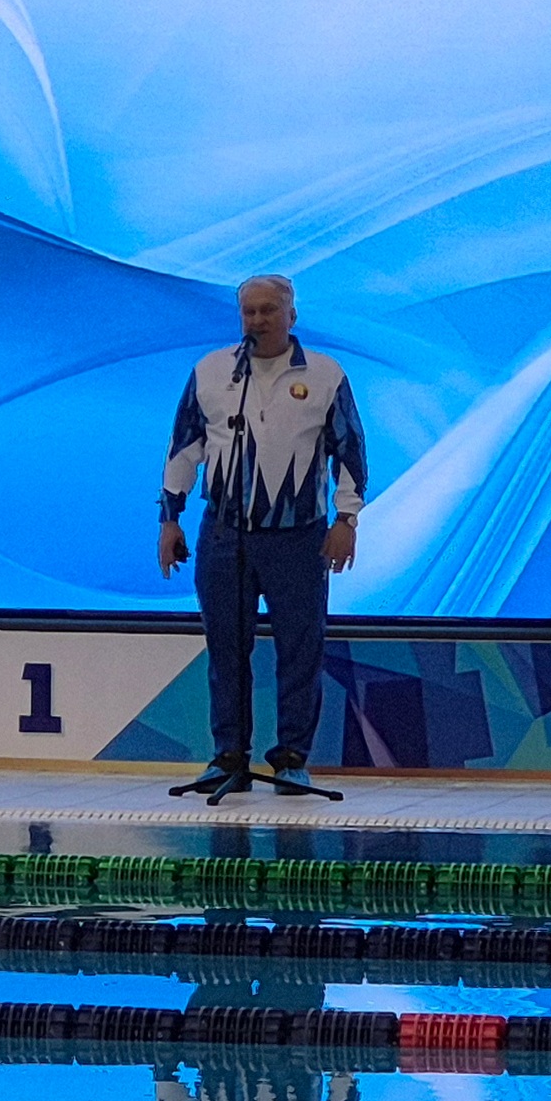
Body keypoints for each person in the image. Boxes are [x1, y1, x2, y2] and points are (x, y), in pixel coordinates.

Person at [155, 274, 366, 800]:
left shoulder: (325, 374)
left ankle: (292, 758)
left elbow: (350, 452)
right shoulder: (211, 372)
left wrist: (346, 521)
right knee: (226, 648)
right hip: (225, 536)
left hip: (298, 538)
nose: (257, 320)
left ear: (291, 315)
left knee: (300, 648)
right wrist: (170, 518)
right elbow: (184, 448)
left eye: (268, 310)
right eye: (249, 311)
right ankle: (229, 755)